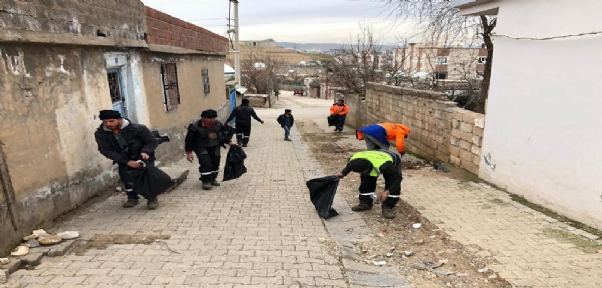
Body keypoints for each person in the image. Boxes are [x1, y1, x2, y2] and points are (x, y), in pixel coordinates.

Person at [94, 110, 160, 209]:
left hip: (143, 158)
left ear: (120, 119)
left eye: (112, 121)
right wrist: (126, 162)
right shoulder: (101, 134)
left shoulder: (138, 128)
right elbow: (105, 150)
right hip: (123, 159)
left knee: (147, 179)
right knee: (127, 179)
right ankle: (132, 198)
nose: (108, 124)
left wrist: (145, 151)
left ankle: (152, 199)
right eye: (105, 122)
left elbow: (152, 141)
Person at [336, 150, 403, 219]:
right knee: (366, 182)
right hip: (373, 155)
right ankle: (365, 203)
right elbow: (349, 166)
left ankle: (388, 206)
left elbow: (397, 179)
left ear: (368, 168)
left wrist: (387, 192)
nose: (360, 173)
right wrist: (343, 173)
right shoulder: (353, 159)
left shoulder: (384, 166)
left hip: (390, 159)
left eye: (361, 171)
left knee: (392, 183)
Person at [185, 109, 237, 190]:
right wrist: (189, 153)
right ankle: (206, 181)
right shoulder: (195, 126)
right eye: (209, 118)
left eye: (213, 118)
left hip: (215, 146)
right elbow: (189, 140)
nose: (212, 120)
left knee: (215, 164)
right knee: (206, 164)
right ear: (203, 118)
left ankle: (212, 179)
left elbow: (223, 134)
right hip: (201, 147)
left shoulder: (218, 124)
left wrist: (230, 142)